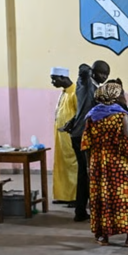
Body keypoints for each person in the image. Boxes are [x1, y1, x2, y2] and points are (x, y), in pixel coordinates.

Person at [81, 82, 128, 247]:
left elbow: (86, 145)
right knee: (127, 198)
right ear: (115, 96)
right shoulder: (122, 117)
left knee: (102, 197)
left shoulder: (91, 116)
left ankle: (102, 236)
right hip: (119, 164)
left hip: (99, 164)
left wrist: (89, 166)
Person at [70, 60, 110, 222]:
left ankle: (83, 209)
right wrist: (88, 71)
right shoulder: (85, 84)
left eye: (107, 75)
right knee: (85, 173)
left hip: (87, 134)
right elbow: (82, 68)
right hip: (81, 134)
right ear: (93, 72)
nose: (104, 77)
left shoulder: (97, 88)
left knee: (88, 173)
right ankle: (80, 211)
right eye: (101, 73)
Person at [49, 68, 78, 205]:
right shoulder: (64, 93)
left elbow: (79, 115)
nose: (52, 82)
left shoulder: (75, 92)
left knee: (73, 165)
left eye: (54, 79)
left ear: (63, 77)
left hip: (70, 135)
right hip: (60, 136)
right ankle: (64, 195)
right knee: (62, 165)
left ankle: (75, 197)